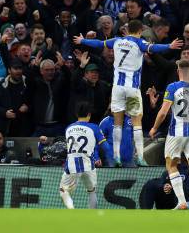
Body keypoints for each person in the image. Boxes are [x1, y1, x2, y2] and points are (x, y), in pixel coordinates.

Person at [74, 19, 183, 167]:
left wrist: (83, 40)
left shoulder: (117, 41)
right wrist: (169, 46)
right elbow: (154, 48)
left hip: (117, 89)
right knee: (137, 122)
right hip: (132, 89)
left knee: (117, 123)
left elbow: (99, 43)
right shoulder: (138, 43)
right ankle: (140, 157)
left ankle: (117, 156)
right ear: (139, 31)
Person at [148, 60, 189, 210]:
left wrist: (154, 128)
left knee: (171, 165)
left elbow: (164, 112)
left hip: (176, 132)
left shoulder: (172, 87)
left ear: (178, 70)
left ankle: (182, 202)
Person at [59, 101, 112, 209]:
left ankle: (72, 210)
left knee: (63, 190)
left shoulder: (68, 128)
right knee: (92, 191)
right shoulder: (94, 128)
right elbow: (106, 147)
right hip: (89, 165)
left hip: (72, 165)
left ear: (76, 114)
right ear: (89, 114)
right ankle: (92, 217)